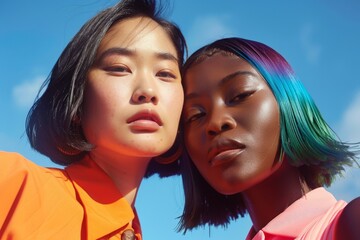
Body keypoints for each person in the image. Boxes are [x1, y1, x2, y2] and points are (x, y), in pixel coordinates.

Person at [0, 0, 186, 239]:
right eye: (120, 68)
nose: (147, 90)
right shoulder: (14, 185)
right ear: (76, 101)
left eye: (165, 73)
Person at [179, 37, 360, 239]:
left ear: (290, 102)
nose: (215, 122)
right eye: (195, 115)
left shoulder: (349, 224)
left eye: (240, 95)